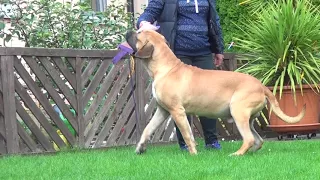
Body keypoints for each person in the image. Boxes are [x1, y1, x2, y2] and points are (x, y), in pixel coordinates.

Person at [136, 0, 225, 150]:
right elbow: (151, 10)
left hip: (203, 51)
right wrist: (143, 22)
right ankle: (185, 144)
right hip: (177, 52)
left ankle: (212, 141)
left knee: (208, 97)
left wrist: (218, 48)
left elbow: (213, 21)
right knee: (177, 101)